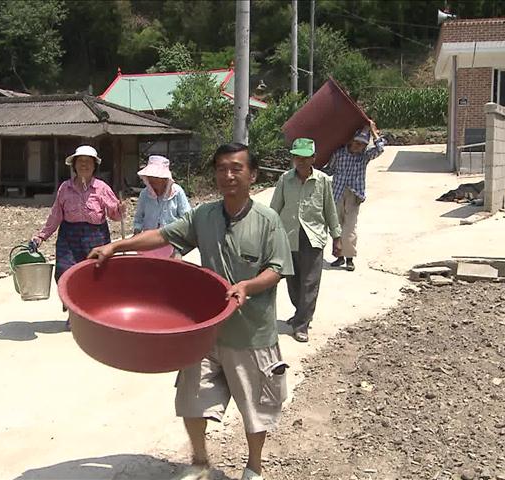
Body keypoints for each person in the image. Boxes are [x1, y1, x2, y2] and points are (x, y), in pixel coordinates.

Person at [89, 143, 294, 480]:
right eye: (221, 168)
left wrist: (247, 287)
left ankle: (254, 467)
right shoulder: (205, 216)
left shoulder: (268, 220)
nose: (228, 175)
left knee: (257, 408)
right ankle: (199, 461)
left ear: (252, 175)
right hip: (207, 329)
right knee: (192, 400)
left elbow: (277, 268)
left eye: (236, 168)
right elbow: (162, 235)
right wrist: (116, 246)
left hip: (251, 334)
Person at [31, 145, 126, 322]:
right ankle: (73, 308)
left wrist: (119, 209)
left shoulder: (102, 188)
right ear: (74, 165)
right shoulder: (65, 188)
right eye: (80, 162)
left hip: (96, 236)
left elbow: (115, 215)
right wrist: (41, 236)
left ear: (94, 166)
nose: (84, 165)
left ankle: (88, 314)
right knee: (64, 272)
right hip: (69, 236)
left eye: (88, 162)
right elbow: (56, 215)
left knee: (94, 275)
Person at [270, 138, 341, 343]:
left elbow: (330, 209)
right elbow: (275, 208)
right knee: (293, 281)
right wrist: (268, 234)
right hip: (288, 237)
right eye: (296, 157)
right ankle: (300, 313)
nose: (300, 161)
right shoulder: (285, 179)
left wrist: (337, 237)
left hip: (313, 237)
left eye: (304, 157)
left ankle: (302, 325)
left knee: (310, 282)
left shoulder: (323, 180)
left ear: (313, 158)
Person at [324, 120, 386, 271]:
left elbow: (380, 149)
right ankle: (339, 256)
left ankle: (349, 258)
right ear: (351, 141)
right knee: (336, 226)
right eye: (357, 143)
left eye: (363, 145)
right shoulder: (339, 154)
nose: (360, 147)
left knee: (350, 227)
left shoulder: (364, 157)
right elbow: (330, 170)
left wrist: (373, 131)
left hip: (354, 195)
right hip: (336, 193)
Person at [133, 155, 191, 257]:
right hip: (148, 240)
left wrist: (179, 248)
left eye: (156, 177)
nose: (153, 180)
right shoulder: (145, 194)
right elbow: (139, 217)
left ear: (165, 178)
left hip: (170, 241)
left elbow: (186, 219)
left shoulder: (177, 192)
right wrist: (136, 235)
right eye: (150, 176)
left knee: (168, 270)